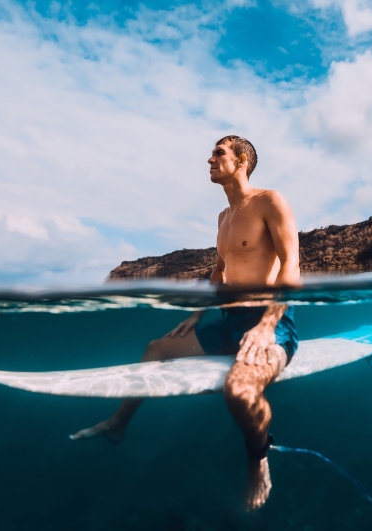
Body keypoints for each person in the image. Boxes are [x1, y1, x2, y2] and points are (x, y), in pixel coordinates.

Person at [71, 135, 300, 510]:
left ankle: (258, 458)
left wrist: (267, 325)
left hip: (271, 322)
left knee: (240, 393)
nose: (209, 159)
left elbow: (292, 266)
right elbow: (220, 270)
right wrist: (195, 315)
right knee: (156, 349)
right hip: (231, 320)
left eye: (218, 153)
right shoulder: (225, 216)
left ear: (241, 161)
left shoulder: (270, 201)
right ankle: (117, 424)